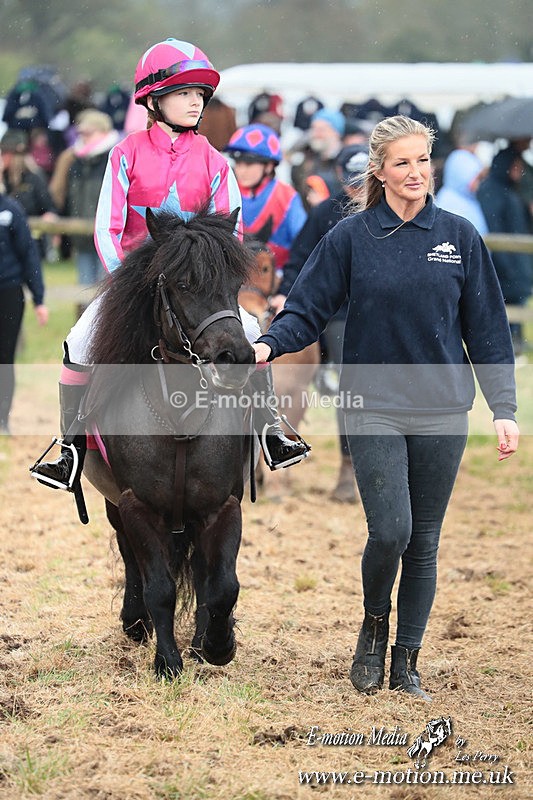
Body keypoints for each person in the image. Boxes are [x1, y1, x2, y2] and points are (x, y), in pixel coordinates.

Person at [253, 116, 519, 701]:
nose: (416, 172)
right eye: (402, 163)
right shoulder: (351, 238)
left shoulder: (458, 236)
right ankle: (374, 628)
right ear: (379, 171)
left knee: (424, 541)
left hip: (443, 410)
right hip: (372, 404)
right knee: (392, 530)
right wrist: (269, 344)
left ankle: (407, 662)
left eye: (423, 160)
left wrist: (503, 407)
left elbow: (488, 328)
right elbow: (307, 308)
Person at [31, 38, 309, 492]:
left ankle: (270, 432)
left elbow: (233, 235)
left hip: (199, 289)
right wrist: (133, 285)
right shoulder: (125, 153)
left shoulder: (216, 161)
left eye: (200, 94)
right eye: (184, 93)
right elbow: (107, 228)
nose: (195, 102)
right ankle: (70, 449)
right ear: (153, 99)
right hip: (133, 286)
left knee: (252, 334)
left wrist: (212, 278)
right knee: (78, 341)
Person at [272, 144, 369, 504]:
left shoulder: (384, 214)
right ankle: (274, 458)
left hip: (354, 315)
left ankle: (348, 467)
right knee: (281, 380)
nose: (357, 188)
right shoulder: (324, 213)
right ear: (340, 177)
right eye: (352, 180)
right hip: (320, 311)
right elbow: (299, 258)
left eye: (363, 180)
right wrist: (284, 293)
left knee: (350, 386)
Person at [49, 109, 120, 303]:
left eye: (89, 133)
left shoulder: (114, 157)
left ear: (103, 131)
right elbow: (63, 195)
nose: (84, 138)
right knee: (84, 290)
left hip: (108, 237)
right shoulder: (74, 161)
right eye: (81, 133)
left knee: (106, 292)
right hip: (81, 237)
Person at [224, 123, 307, 280]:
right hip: (232, 276)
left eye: (249, 164)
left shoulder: (287, 196)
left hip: (277, 279)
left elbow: (303, 245)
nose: (241, 171)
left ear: (269, 166)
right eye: (238, 164)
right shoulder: (226, 191)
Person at [0, 187, 48, 433]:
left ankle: (2, 419)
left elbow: (29, 254)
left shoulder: (11, 211)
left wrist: (38, 299)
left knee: (5, 357)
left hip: (8, 293)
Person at [477, 146, 533, 356]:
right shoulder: (492, 190)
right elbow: (495, 226)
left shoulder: (511, 189)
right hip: (504, 259)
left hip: (518, 257)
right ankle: (509, 347)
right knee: (505, 306)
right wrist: (506, 263)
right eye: (515, 166)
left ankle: (518, 344)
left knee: (518, 300)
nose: (519, 170)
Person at [289, 108, 346, 209]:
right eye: (314, 128)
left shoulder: (346, 161)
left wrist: (324, 205)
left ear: (336, 132)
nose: (316, 134)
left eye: (322, 129)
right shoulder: (307, 160)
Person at [435, 148, 488, 233]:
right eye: (475, 178)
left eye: (480, 179)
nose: (477, 184)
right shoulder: (448, 205)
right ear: (461, 175)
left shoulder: (470, 200)